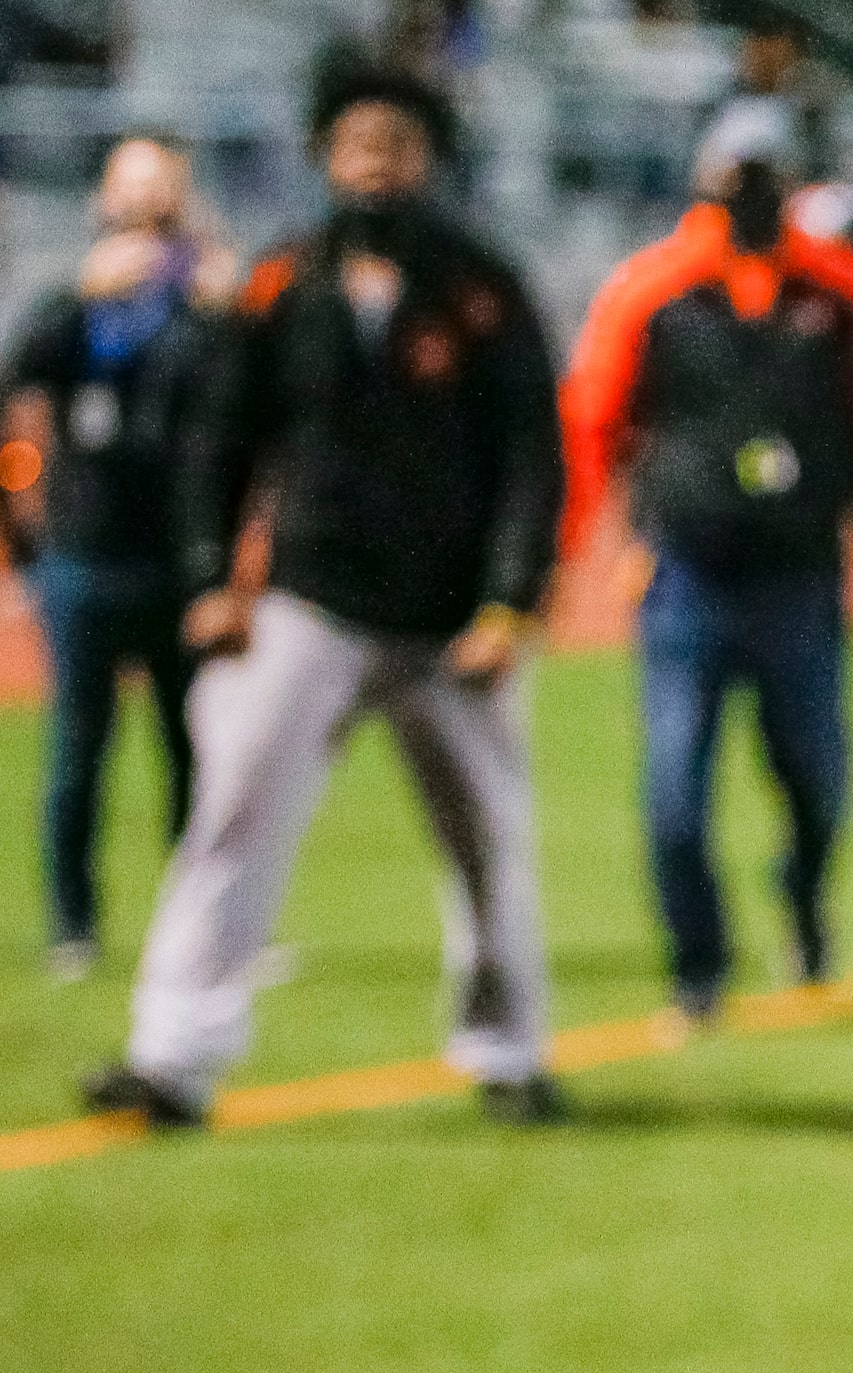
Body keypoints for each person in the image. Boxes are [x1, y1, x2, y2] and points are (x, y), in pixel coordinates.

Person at [82, 61, 564, 1129]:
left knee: (489, 837)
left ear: (429, 157)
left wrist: (508, 602)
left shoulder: (482, 286)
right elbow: (219, 436)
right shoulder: (281, 280)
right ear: (323, 158)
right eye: (356, 147)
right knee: (232, 812)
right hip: (313, 594)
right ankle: (174, 1056)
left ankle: (509, 1053)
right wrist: (211, 578)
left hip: (451, 616)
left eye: (394, 146)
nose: (375, 166)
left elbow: (534, 451)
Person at [558, 110, 853, 1020]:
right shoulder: (650, 291)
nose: (749, 195)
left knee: (819, 788)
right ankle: (698, 967)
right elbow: (593, 418)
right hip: (685, 576)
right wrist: (584, 544)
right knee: (673, 798)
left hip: (801, 579)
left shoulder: (849, 294)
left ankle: (803, 904)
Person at [3, 136, 229, 982]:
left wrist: (221, 299)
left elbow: (244, 402)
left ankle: (203, 925)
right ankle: (73, 926)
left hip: (181, 562)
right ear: (104, 201)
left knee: (195, 750)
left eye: (162, 197)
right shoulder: (76, 300)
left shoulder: (199, 304)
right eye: (131, 195)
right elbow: (19, 377)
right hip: (84, 558)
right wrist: (75, 294)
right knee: (79, 750)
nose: (146, 214)